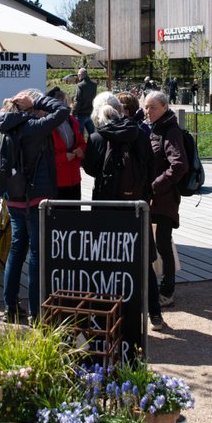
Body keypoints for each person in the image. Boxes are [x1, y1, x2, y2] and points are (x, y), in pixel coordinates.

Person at [81, 92, 162, 323]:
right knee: (142, 260)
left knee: (106, 259)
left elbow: (90, 168)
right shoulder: (140, 133)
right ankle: (154, 312)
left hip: (105, 205)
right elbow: (150, 166)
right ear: (120, 110)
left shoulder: (97, 137)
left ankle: (111, 312)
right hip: (136, 204)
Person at [0, 89, 70, 324]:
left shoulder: (1, 127)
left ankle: (10, 306)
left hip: (13, 197)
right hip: (37, 197)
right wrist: (37, 100)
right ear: (26, 107)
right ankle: (35, 310)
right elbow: (63, 110)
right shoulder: (33, 128)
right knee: (37, 253)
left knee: (17, 249)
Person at [143, 90, 186, 318]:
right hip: (156, 198)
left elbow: (179, 165)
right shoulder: (156, 128)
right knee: (157, 244)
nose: (148, 111)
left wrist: (154, 186)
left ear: (165, 108)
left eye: (152, 107)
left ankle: (167, 291)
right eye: (146, 107)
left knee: (163, 245)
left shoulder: (170, 130)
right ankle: (157, 288)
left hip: (164, 199)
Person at [46, 87, 86, 200]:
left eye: (64, 102)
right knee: (58, 215)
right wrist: (63, 158)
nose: (63, 106)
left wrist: (80, 150)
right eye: (59, 103)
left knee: (74, 214)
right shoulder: (46, 124)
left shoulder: (72, 120)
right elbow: (44, 156)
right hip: (57, 179)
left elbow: (82, 143)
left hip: (74, 177)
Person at [73, 67, 96, 137]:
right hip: (90, 113)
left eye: (78, 75)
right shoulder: (94, 85)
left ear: (80, 75)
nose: (78, 77)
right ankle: (93, 147)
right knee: (93, 135)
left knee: (80, 137)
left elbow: (77, 100)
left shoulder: (80, 85)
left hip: (81, 114)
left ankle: (83, 148)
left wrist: (73, 113)